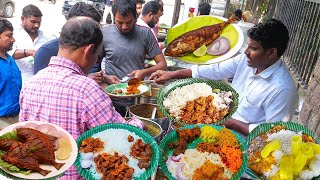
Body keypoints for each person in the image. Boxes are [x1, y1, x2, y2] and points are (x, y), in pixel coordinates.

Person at [20, 16, 141, 179]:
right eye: (97, 55)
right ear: (89, 50)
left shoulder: (30, 84)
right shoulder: (87, 90)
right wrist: (139, 123)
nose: (96, 60)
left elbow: (23, 135)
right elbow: (120, 136)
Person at [149, 19, 298, 136]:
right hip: (221, 128)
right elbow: (214, 70)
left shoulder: (283, 89)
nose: (245, 52)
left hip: (244, 148)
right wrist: (172, 74)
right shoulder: (246, 61)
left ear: (271, 53)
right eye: (247, 46)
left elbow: (273, 131)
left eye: (253, 48)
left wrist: (230, 123)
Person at [102, 0, 166, 115]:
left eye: (129, 22)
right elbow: (93, 68)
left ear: (136, 17)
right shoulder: (105, 33)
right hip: (110, 99)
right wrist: (106, 77)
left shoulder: (145, 33)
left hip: (136, 99)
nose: (124, 27)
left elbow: (162, 64)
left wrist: (144, 72)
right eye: (119, 22)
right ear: (113, 17)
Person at [33, 2, 119, 84]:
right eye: (88, 29)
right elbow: (45, 89)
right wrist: (85, 81)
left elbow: (94, 74)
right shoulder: (46, 52)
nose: (94, 34)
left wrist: (104, 78)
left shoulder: (94, 46)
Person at [8, 4, 52, 84]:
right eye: (33, 22)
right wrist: (28, 52)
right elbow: (9, 53)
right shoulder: (14, 35)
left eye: (39, 22)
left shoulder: (45, 38)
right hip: (18, 82)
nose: (37, 25)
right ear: (23, 19)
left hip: (39, 83)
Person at [0, 18, 22, 129]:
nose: (13, 39)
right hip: (2, 121)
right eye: (9, 36)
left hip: (17, 117)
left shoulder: (9, 59)